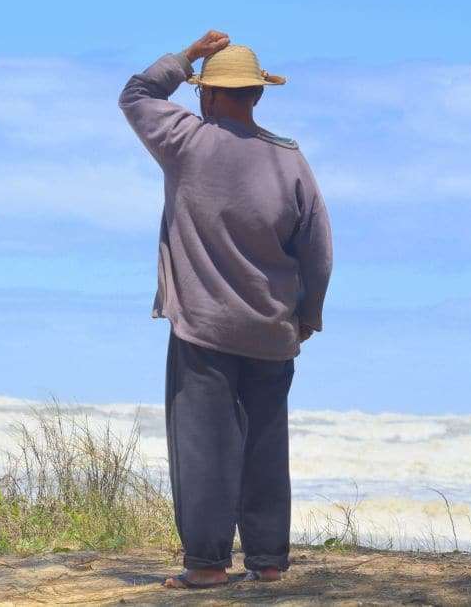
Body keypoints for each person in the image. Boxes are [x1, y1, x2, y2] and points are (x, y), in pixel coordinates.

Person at [118, 30, 333, 589]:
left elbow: (137, 93)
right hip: (271, 328)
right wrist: (305, 318)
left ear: (208, 96)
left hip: (202, 328)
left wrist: (187, 54)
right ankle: (267, 562)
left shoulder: (184, 140)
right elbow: (318, 250)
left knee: (204, 448)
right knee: (265, 442)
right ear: (257, 96)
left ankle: (209, 565)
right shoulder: (290, 160)